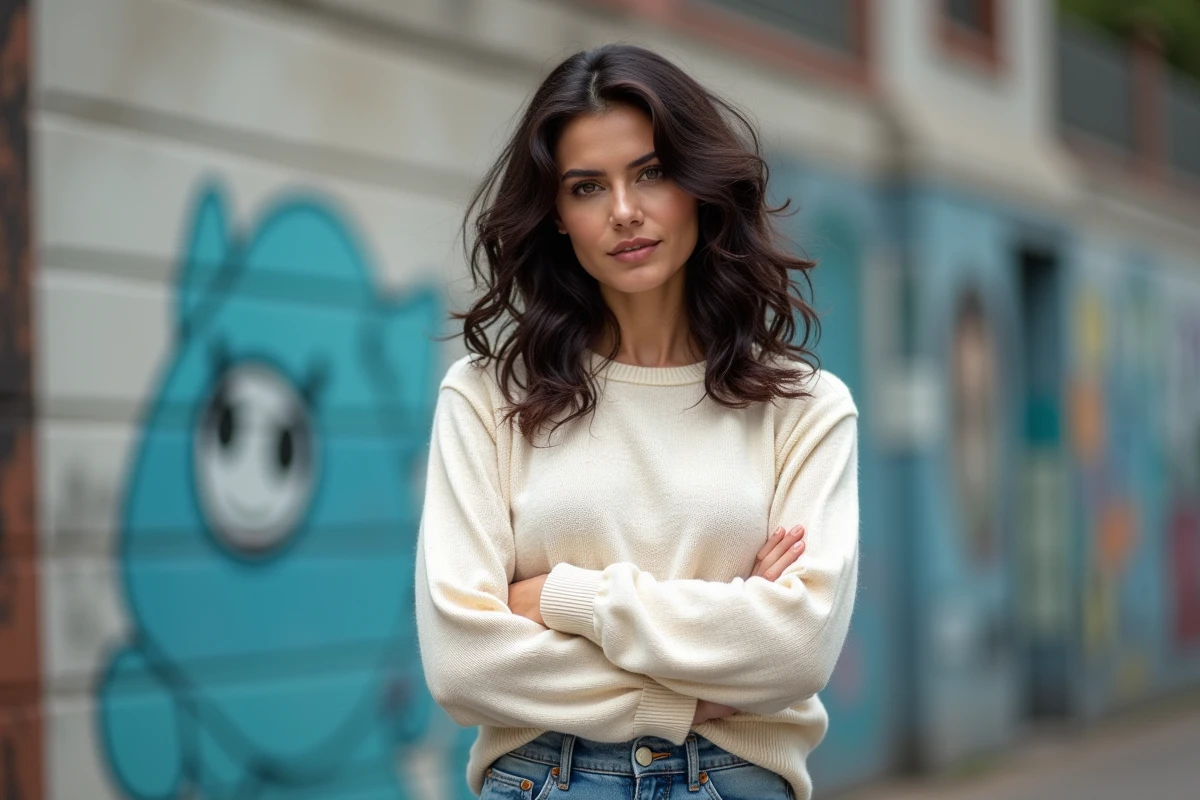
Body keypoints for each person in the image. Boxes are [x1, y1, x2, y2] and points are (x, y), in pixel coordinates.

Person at [414, 43, 859, 800]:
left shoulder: (804, 408)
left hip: (734, 782)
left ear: (699, 187)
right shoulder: (488, 398)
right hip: (545, 780)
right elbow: (463, 665)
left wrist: (563, 600)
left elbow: (796, 649)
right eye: (587, 187)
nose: (624, 210)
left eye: (650, 173)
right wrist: (699, 682)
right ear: (558, 216)